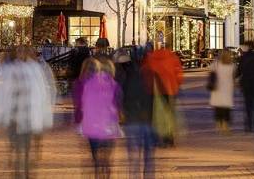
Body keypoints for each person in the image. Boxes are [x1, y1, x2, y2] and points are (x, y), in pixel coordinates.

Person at [0, 46, 56, 178]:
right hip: (14, 116)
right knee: (17, 145)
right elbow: (2, 92)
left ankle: (25, 170)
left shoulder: (33, 69)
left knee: (26, 146)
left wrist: (42, 113)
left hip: (28, 115)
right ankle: (18, 170)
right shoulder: (11, 69)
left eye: (22, 52)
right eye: (18, 52)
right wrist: (0, 115)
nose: (20, 54)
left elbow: (40, 92)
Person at [77, 57, 121, 179]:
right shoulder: (113, 84)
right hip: (108, 126)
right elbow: (117, 103)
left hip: (92, 127)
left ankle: (98, 172)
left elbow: (84, 103)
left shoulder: (88, 84)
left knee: (95, 158)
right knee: (106, 158)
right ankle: (106, 171)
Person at [115, 48, 155, 178]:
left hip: (132, 121)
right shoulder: (149, 75)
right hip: (147, 119)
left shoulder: (124, 77)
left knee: (134, 157)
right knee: (148, 156)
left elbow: (120, 98)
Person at [142, 43, 182, 146]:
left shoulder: (151, 58)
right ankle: (169, 137)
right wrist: (177, 85)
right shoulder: (173, 58)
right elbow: (178, 74)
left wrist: (147, 87)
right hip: (170, 89)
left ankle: (156, 137)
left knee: (155, 114)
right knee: (169, 114)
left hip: (154, 90)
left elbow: (145, 72)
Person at [237, 41, 254, 132]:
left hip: (247, 83)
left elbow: (239, 70)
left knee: (248, 105)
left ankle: (249, 124)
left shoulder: (244, 57)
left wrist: (235, 77)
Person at [208, 48, 236, 134]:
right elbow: (233, 77)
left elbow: (210, 73)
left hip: (217, 88)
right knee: (226, 108)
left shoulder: (216, 64)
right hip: (227, 89)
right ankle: (225, 126)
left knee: (218, 108)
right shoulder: (232, 65)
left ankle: (219, 125)